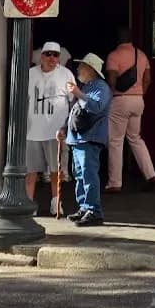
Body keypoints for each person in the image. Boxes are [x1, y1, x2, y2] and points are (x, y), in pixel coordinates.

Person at [58, 53, 112, 226]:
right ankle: (84, 206)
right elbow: (75, 113)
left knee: (88, 175)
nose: (79, 69)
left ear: (90, 69)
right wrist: (64, 129)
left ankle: (94, 211)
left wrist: (78, 93)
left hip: (89, 138)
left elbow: (95, 107)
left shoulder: (100, 87)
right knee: (80, 175)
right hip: (79, 139)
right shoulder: (87, 87)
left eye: (82, 67)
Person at [105, 28, 155, 193]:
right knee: (136, 138)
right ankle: (151, 175)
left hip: (120, 100)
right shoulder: (141, 55)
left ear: (118, 39)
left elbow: (112, 80)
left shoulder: (114, 56)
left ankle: (115, 183)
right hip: (138, 100)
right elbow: (148, 79)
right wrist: (139, 93)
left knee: (115, 141)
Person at [26, 40, 75, 216]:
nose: (52, 58)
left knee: (56, 170)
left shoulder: (66, 74)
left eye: (55, 55)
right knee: (31, 171)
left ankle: (57, 203)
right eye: (48, 54)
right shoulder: (31, 74)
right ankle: (29, 204)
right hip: (32, 131)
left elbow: (73, 99)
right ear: (41, 56)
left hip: (55, 132)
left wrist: (66, 127)